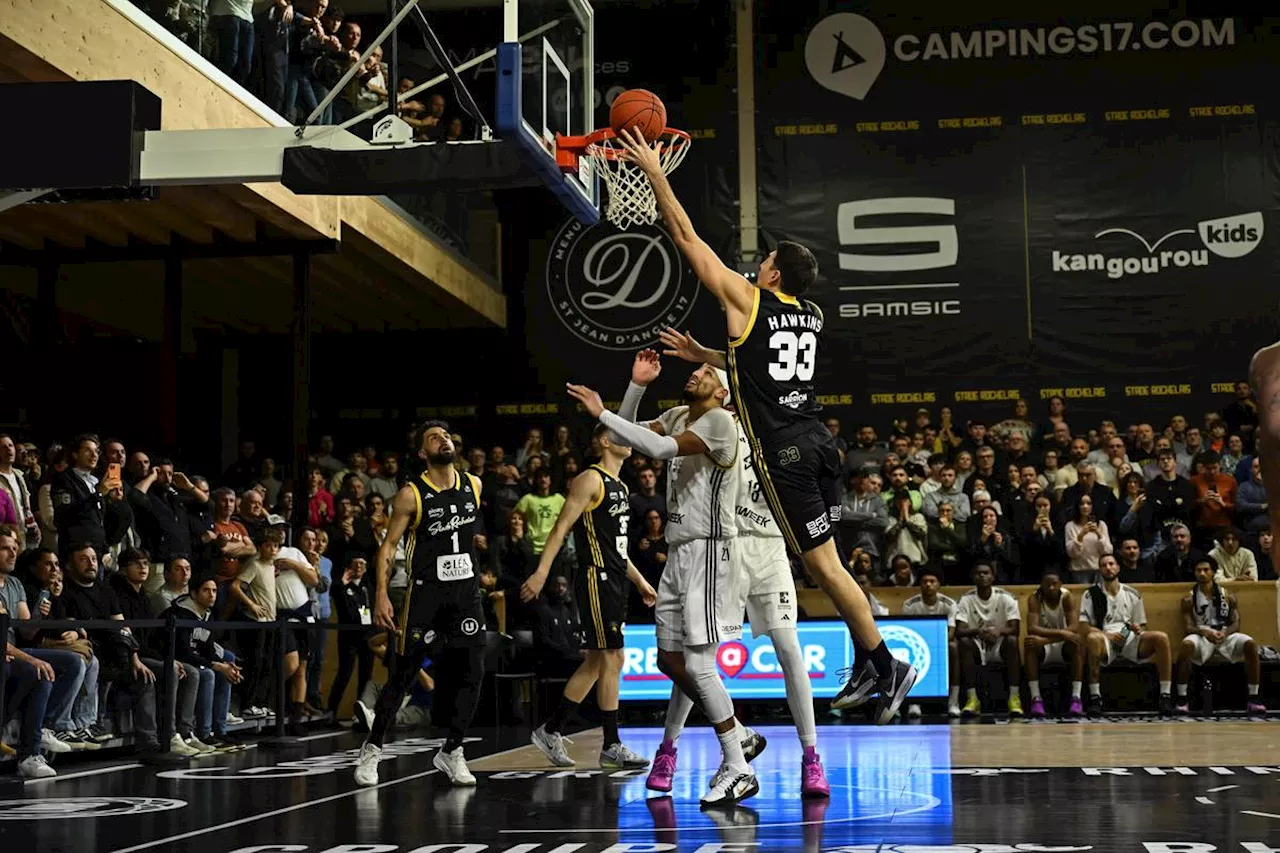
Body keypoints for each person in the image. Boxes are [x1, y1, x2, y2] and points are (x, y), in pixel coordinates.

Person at [635, 167, 915, 721]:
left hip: (785, 451)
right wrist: (711, 356)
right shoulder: (809, 314)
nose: (755, 265)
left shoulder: (750, 301)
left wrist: (653, 176)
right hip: (818, 441)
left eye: (763, 261)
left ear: (774, 272)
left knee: (826, 569)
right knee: (827, 567)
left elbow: (689, 239)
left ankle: (888, 666)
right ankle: (871, 659)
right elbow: (767, 369)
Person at [566, 350, 762, 806]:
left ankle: (737, 763)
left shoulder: (719, 423)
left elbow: (658, 448)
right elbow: (626, 435)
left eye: (706, 372)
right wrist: (636, 386)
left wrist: (600, 410)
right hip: (679, 552)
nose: (695, 372)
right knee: (668, 661)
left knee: (696, 664)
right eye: (697, 368)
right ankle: (740, 734)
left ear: (722, 392)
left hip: (711, 550)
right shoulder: (679, 413)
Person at [638, 345, 831, 796]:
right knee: (694, 653)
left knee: (788, 648)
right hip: (722, 545)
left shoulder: (783, 433)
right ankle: (670, 747)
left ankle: (811, 757)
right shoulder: (712, 421)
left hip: (766, 550)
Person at [354, 421, 486, 788]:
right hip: (426, 594)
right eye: (434, 437)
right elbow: (389, 546)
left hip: (466, 595)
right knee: (404, 672)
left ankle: (452, 751)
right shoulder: (411, 494)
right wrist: (381, 593)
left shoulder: (472, 484)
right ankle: (372, 748)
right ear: (421, 453)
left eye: (446, 435)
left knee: (474, 671)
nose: (443, 439)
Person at [521, 423, 657, 770]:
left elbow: (619, 549)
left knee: (604, 661)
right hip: (595, 577)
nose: (630, 442)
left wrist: (640, 581)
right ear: (606, 441)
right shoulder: (590, 479)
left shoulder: (621, 486)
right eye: (622, 435)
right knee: (610, 656)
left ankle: (551, 730)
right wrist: (541, 572)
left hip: (615, 578)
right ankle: (611, 744)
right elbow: (560, 527)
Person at [1080, 554, 1174, 717]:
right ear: (1100, 570)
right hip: (1104, 638)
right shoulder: (1091, 594)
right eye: (1104, 565)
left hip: (1128, 636)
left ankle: (1165, 695)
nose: (1108, 568)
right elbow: (1084, 627)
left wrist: (1138, 628)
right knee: (1092, 639)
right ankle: (1095, 697)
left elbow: (1141, 624)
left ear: (1118, 567)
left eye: (1111, 564)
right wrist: (1107, 635)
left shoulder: (1132, 593)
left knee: (1161, 638)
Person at [1175, 556, 1265, 714]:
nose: (1202, 573)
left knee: (1250, 643)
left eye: (1206, 570)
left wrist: (1225, 633)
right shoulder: (1188, 598)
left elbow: (1236, 623)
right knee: (1186, 645)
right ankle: (1182, 699)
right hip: (1202, 635)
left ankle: (1254, 698)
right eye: (1199, 570)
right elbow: (1188, 627)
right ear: (1194, 573)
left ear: (1213, 573)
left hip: (1225, 635)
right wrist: (1203, 631)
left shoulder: (1228, 596)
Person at [954, 563, 1022, 717]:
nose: (982, 576)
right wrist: (979, 631)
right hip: (977, 643)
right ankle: (972, 699)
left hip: (999, 644)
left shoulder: (1006, 597)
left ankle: (1014, 698)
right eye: (978, 573)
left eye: (986, 573)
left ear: (993, 576)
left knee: (1012, 641)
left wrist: (997, 631)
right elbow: (959, 630)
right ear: (973, 577)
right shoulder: (966, 599)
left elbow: (1015, 629)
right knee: (963, 643)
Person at [1023, 571, 1085, 718]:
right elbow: (1032, 628)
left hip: (1061, 643)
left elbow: (1074, 627)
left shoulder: (1067, 596)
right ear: (1041, 586)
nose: (1051, 588)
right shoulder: (1034, 598)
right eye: (1047, 585)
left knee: (1077, 643)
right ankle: (1036, 699)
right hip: (1045, 646)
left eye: (1055, 584)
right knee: (1030, 644)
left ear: (1060, 584)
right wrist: (1062, 634)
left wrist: (1048, 639)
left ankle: (1076, 698)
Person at [900, 567, 959, 717]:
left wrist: (935, 645)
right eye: (925, 581)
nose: (928, 584)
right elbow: (908, 632)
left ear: (939, 585)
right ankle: (914, 702)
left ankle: (953, 702)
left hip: (941, 644)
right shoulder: (910, 604)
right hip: (918, 644)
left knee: (953, 648)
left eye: (932, 581)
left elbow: (951, 632)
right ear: (919, 584)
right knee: (906, 653)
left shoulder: (949, 604)